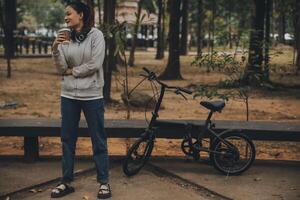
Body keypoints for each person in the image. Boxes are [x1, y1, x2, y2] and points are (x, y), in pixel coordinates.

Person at [50, 1, 111, 199]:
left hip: (92, 95)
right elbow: (60, 68)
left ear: (81, 15)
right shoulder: (64, 36)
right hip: (68, 95)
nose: (66, 17)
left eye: (69, 13)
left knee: (98, 139)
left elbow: (95, 63)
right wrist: (55, 48)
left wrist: (73, 71)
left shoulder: (96, 35)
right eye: (65, 14)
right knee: (67, 139)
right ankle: (66, 182)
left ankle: (104, 182)